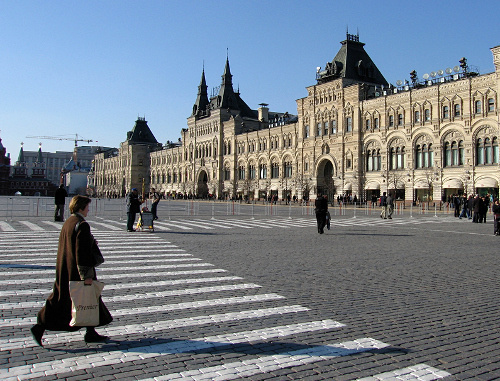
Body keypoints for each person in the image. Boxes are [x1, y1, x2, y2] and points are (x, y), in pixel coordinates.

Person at [31, 195, 112, 347]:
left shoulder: (69, 221)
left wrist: (91, 242)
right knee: (73, 300)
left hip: (65, 267)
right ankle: (40, 325)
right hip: (76, 271)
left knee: (80, 299)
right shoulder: (82, 224)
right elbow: (81, 253)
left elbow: (73, 243)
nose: (89, 209)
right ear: (81, 207)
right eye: (87, 206)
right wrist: (86, 276)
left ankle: (91, 331)